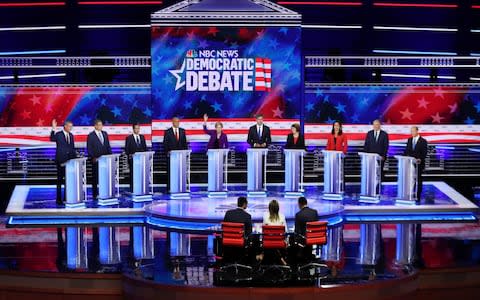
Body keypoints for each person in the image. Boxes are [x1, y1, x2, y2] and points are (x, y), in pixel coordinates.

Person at [50, 119, 76, 205]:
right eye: (69, 126)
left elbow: (72, 148)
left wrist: (74, 159)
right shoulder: (59, 134)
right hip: (60, 161)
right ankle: (58, 199)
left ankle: (66, 197)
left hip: (69, 162)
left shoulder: (71, 135)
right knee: (60, 180)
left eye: (71, 127)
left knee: (67, 181)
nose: (71, 128)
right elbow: (52, 138)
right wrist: (53, 128)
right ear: (65, 126)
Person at [87, 119, 112, 200]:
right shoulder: (91, 135)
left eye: (101, 125)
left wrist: (110, 156)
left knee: (104, 177)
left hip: (105, 160)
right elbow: (89, 148)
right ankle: (95, 194)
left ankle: (104, 192)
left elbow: (108, 146)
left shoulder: (105, 134)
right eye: (99, 125)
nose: (101, 126)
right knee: (95, 178)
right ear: (95, 126)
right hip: (96, 160)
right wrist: (93, 157)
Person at [163, 117, 188, 193]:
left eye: (178, 121)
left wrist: (185, 153)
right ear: (172, 122)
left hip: (181, 156)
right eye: (176, 121)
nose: (177, 123)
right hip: (171, 156)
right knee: (170, 172)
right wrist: (168, 152)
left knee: (180, 171)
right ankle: (169, 188)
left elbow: (184, 144)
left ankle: (181, 187)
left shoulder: (182, 131)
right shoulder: (168, 132)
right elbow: (165, 143)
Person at [403, 126, 428, 202]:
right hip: (410, 163)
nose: (412, 133)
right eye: (411, 131)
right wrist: (404, 156)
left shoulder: (423, 141)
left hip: (419, 164)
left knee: (418, 179)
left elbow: (424, 152)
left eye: (413, 131)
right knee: (411, 179)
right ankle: (411, 193)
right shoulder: (409, 140)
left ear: (417, 131)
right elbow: (407, 150)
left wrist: (420, 159)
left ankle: (418, 195)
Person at [125, 123, 148, 192]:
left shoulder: (142, 137)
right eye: (136, 128)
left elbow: (145, 148)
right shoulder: (129, 138)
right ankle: (132, 189)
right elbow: (127, 149)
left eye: (138, 128)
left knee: (141, 174)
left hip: (141, 159)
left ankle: (141, 188)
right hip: (133, 160)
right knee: (133, 174)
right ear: (133, 129)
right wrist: (130, 155)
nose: (137, 130)